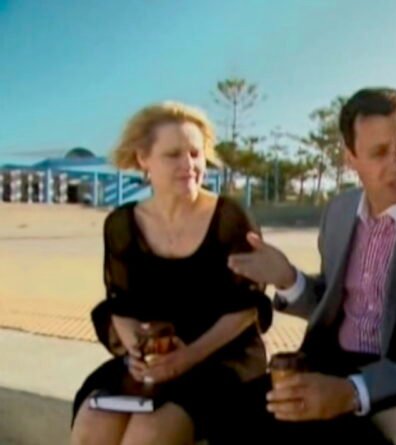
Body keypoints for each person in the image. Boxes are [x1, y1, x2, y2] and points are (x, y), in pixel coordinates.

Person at [228, 87, 396, 444]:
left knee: (371, 438)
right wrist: (288, 278)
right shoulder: (339, 212)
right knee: (238, 413)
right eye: (380, 152)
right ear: (350, 158)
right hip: (331, 360)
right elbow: (332, 305)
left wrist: (353, 391)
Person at [71, 101, 272, 445]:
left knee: (148, 434)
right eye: (173, 155)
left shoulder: (230, 218)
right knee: (93, 424)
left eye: (195, 153)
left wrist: (186, 358)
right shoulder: (121, 224)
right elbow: (120, 304)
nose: (188, 165)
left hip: (220, 355)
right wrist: (139, 354)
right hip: (156, 357)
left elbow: (246, 308)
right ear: (143, 159)